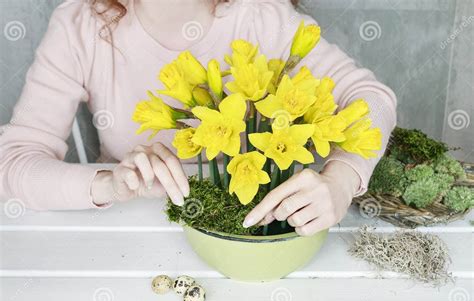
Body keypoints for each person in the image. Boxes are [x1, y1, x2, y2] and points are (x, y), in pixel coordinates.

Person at [0, 0, 397, 236]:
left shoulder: (260, 16)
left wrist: (342, 180)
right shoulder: (81, 24)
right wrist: (111, 185)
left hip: (254, 236)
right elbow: (14, 161)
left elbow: (371, 98)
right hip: (128, 242)